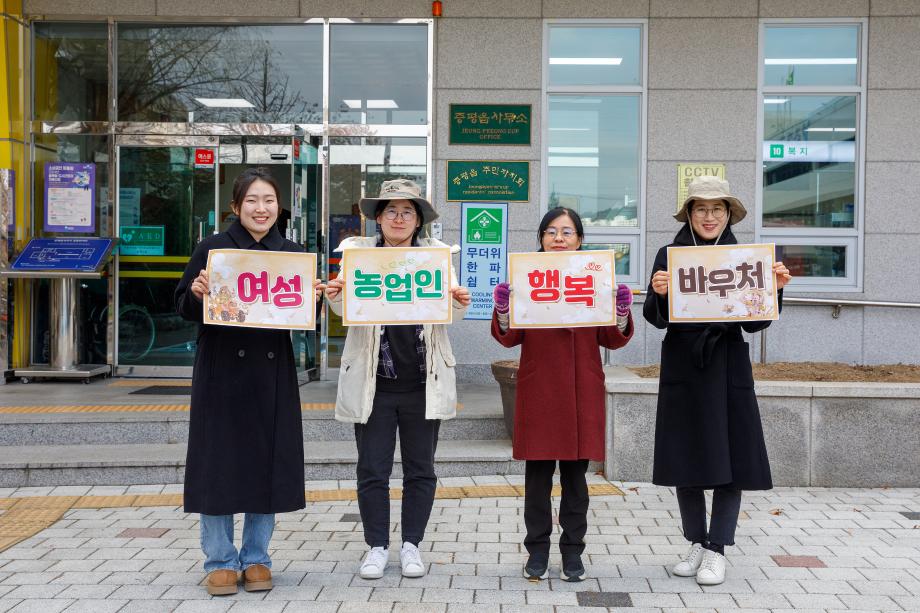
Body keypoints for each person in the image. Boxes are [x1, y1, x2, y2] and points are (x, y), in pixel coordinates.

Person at [175, 167, 324, 596]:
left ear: (280, 208)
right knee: (217, 465)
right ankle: (219, 560)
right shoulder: (213, 249)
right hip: (221, 373)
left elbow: (301, 321)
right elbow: (182, 305)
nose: (262, 209)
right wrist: (197, 293)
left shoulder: (292, 254)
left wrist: (312, 300)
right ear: (236, 207)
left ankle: (257, 557)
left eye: (269, 201)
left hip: (270, 376)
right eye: (253, 201)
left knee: (266, 464)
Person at [643, 176, 792, 586]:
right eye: (701, 209)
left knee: (733, 458)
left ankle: (717, 548)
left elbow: (756, 321)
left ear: (728, 214)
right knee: (684, 454)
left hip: (727, 361)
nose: (709, 217)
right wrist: (657, 293)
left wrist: (775, 291)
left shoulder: (745, 257)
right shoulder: (669, 254)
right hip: (683, 364)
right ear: (690, 214)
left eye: (717, 209)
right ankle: (696, 540)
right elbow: (655, 318)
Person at [324, 179, 471, 580]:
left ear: (419, 219)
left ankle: (411, 546)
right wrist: (334, 293)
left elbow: (448, 317)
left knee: (420, 469)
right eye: (391, 210)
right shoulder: (358, 257)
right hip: (374, 385)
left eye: (408, 211)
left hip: (424, 383)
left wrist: (458, 302)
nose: (399, 218)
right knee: (372, 469)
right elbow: (342, 310)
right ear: (378, 218)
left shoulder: (437, 258)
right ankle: (376, 546)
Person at [490, 206, 635, 582]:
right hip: (540, 392)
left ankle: (573, 553)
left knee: (577, 481)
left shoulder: (594, 278)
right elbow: (509, 337)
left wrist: (620, 312)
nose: (559, 238)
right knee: (537, 481)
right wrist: (504, 310)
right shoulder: (526, 278)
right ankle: (536, 552)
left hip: (581, 393)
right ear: (540, 238)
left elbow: (612, 339)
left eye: (567, 232)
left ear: (580, 239)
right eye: (551, 232)